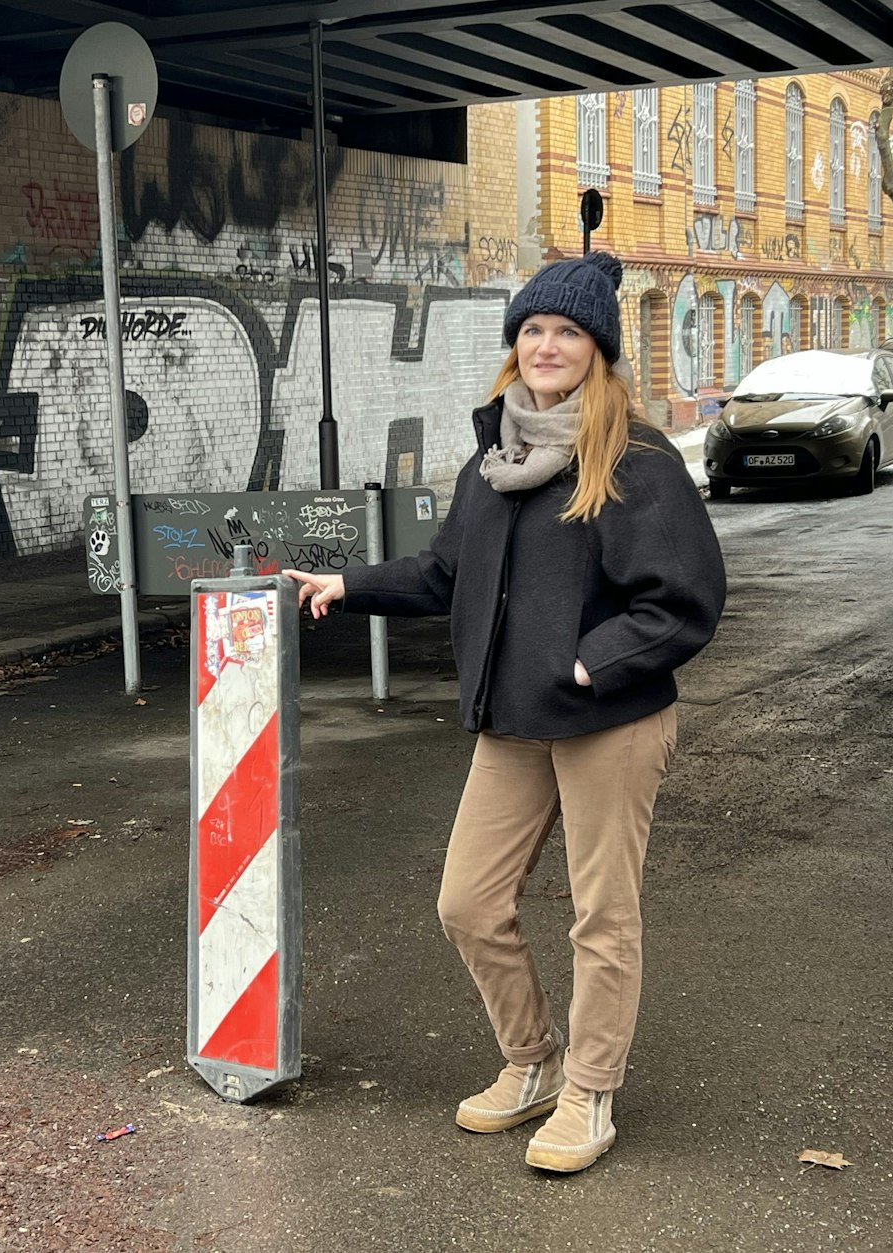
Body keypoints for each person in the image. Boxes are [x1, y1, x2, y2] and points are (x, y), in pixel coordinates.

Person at [283, 252, 726, 1174]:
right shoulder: (495, 462)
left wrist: (589, 658)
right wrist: (347, 582)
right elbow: (445, 572)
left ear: (597, 349)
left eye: (567, 332)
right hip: (514, 717)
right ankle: (533, 1060)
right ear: (513, 345)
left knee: (602, 915)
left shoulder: (636, 460)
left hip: (610, 717)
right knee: (469, 901)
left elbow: (684, 599)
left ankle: (590, 1090)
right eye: (532, 330)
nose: (547, 346)